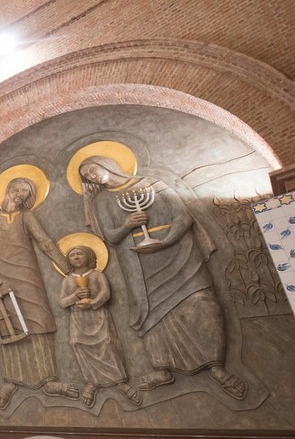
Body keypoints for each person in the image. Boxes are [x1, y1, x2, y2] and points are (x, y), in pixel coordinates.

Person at [78, 156, 247, 399]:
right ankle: (163, 369)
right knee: (153, 314)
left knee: (201, 303)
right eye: (87, 177)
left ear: (107, 164)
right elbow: (110, 235)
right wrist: (127, 224)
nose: (92, 176)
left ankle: (217, 367)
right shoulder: (103, 200)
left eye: (92, 169)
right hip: (139, 265)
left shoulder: (152, 184)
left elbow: (183, 216)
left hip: (179, 254)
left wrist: (165, 240)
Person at [0, 176, 76, 408]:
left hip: (29, 278)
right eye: (17, 188)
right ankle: (11, 382)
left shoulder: (26, 217)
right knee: (9, 328)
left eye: (25, 191)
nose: (20, 193)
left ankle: (49, 380)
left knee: (39, 323)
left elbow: (45, 242)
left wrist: (68, 269)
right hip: (2, 283)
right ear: (8, 188)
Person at [58, 245, 141, 408]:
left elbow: (106, 293)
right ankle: (91, 383)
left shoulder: (97, 275)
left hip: (98, 317)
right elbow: (62, 301)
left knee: (107, 345)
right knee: (79, 346)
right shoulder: (67, 280)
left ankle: (120, 382)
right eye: (72, 255)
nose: (75, 257)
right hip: (78, 319)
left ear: (89, 256)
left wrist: (93, 303)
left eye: (79, 254)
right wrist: (75, 296)